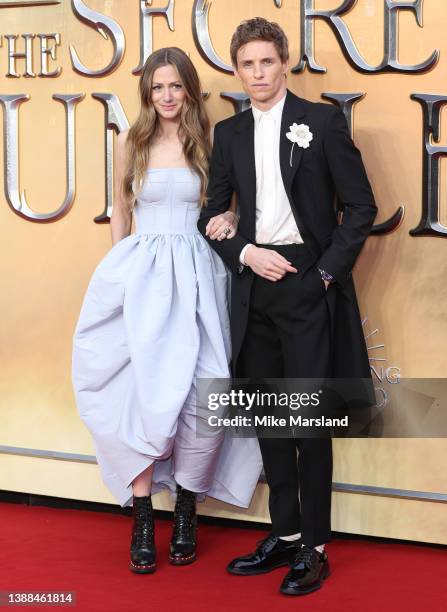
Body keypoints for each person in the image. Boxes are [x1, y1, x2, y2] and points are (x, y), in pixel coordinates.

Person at [198, 18, 377, 596]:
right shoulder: (227, 134)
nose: (257, 74)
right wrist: (244, 249)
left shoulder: (321, 121)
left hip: (306, 285)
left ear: (284, 63)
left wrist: (324, 275)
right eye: (247, 65)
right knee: (271, 423)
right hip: (253, 288)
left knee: (306, 423)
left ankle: (317, 549)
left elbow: (360, 206)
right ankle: (285, 535)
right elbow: (213, 215)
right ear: (236, 70)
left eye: (266, 62)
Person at [72, 47, 262, 575]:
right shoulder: (129, 141)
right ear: (147, 93)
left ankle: (185, 509)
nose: (167, 96)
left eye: (176, 86)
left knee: (205, 391)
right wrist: (116, 267)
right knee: (141, 391)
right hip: (142, 275)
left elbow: (231, 206)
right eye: (158, 87)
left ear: (190, 89)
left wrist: (227, 225)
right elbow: (121, 208)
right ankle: (140, 515)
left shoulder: (213, 142)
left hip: (201, 274)